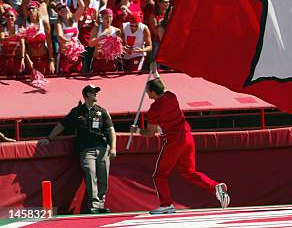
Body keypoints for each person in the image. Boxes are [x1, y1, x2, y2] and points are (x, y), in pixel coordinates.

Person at [130, 63, 230, 214]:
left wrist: (136, 130)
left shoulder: (154, 109)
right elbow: (162, 86)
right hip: (187, 138)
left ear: (151, 92)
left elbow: (150, 133)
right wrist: (156, 72)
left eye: (147, 91)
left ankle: (166, 205)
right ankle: (215, 186)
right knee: (189, 172)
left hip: (173, 141)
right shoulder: (171, 96)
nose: (146, 93)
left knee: (159, 175)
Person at [40, 85, 116, 214]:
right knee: (90, 174)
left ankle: (100, 204)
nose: (96, 94)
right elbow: (62, 125)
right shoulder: (76, 112)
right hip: (86, 149)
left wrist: (113, 147)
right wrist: (49, 138)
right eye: (93, 92)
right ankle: (94, 205)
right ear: (86, 95)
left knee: (103, 176)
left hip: (103, 148)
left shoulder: (102, 111)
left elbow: (111, 130)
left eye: (96, 92)